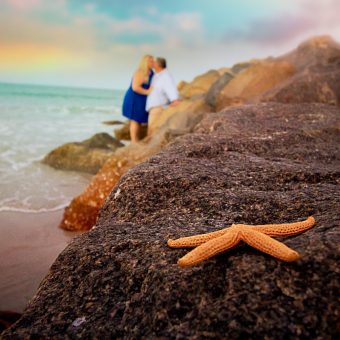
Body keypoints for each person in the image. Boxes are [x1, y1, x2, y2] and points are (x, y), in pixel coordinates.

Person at [122, 55, 154, 143]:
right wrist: (148, 92)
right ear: (145, 62)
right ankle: (134, 141)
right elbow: (135, 87)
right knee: (135, 120)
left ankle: (137, 140)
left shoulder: (151, 72)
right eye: (150, 61)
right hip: (134, 99)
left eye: (153, 61)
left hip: (142, 99)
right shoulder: (140, 72)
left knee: (139, 120)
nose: (153, 62)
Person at [146, 57, 180, 132]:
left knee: (152, 129)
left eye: (154, 62)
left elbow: (170, 87)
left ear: (158, 64)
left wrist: (174, 100)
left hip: (158, 107)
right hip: (154, 107)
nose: (152, 64)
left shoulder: (165, 76)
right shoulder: (157, 75)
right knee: (151, 128)